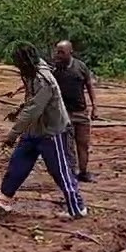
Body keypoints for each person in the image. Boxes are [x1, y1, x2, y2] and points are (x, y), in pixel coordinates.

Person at [0, 42, 87, 220]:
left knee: (60, 171)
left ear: (26, 61)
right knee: (17, 164)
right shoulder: (30, 74)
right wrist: (19, 111)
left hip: (52, 131)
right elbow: (31, 102)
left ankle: (77, 208)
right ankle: (3, 203)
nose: (16, 65)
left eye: (18, 61)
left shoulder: (42, 78)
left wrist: (12, 134)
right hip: (34, 129)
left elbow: (34, 109)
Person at [51, 39, 98, 183]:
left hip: (81, 112)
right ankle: (70, 172)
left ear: (70, 52)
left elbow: (89, 85)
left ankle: (83, 172)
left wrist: (95, 106)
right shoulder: (55, 70)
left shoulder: (80, 67)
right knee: (66, 145)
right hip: (63, 113)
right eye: (57, 52)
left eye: (61, 52)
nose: (58, 55)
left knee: (83, 144)